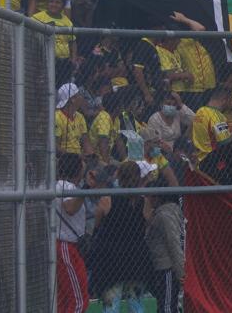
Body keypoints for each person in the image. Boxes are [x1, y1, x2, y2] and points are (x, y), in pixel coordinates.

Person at [89, 161, 150, 313]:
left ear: (118, 176)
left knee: (111, 304)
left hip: (111, 257)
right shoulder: (143, 201)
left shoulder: (107, 199)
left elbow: (96, 225)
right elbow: (147, 224)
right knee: (136, 304)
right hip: (136, 255)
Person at [143, 176, 185, 313]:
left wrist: (180, 272)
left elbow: (173, 242)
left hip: (168, 267)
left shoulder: (166, 214)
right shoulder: (160, 213)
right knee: (165, 304)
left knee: (167, 306)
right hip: (162, 266)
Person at [55, 153, 89, 313]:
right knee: (79, 300)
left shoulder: (64, 186)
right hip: (66, 246)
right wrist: (86, 189)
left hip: (66, 246)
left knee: (64, 299)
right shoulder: (65, 186)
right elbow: (70, 208)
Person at [190, 86, 232, 163]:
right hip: (210, 159)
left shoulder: (200, 110)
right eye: (230, 102)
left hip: (197, 156)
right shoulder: (217, 116)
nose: (230, 105)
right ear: (225, 100)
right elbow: (224, 142)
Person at [55, 83, 92, 157]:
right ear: (73, 99)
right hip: (65, 158)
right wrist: (75, 157)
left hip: (79, 158)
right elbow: (56, 146)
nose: (82, 97)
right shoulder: (57, 117)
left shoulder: (80, 117)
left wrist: (91, 155)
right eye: (79, 95)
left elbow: (85, 141)